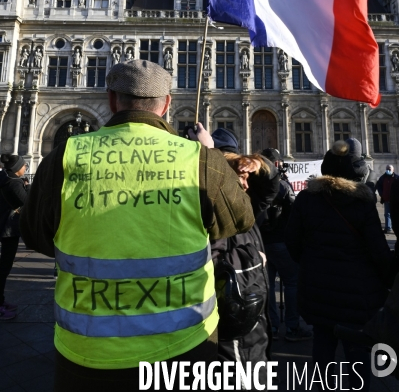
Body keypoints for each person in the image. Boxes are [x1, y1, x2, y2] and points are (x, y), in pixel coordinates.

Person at [20, 59, 255, 392]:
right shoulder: (199, 159)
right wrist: (210, 155)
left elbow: (34, 235)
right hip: (184, 346)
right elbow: (239, 220)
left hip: (87, 352)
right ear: (167, 104)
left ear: (111, 100)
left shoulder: (64, 156)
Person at [285, 139, 392, 391]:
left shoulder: (306, 198)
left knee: (322, 348)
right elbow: (378, 250)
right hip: (357, 293)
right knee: (357, 353)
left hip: (317, 288)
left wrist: (310, 263)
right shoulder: (363, 203)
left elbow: (292, 241)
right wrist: (386, 281)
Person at [210, 128, 276, 388]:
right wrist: (254, 259)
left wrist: (258, 162)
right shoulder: (211, 209)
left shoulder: (246, 205)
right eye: (241, 177)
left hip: (255, 332)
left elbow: (270, 186)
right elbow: (217, 265)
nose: (247, 184)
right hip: (233, 334)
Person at [256, 148, 312, 342]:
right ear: (277, 164)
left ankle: (270, 327)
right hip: (282, 241)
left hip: (262, 243)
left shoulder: (254, 185)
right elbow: (295, 215)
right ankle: (292, 327)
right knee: (291, 282)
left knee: (268, 286)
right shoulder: (283, 187)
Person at [0, 154, 28, 320]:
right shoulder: (14, 182)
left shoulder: (3, 178)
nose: (25, 168)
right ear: (18, 168)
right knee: (4, 268)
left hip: (2, 224)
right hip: (8, 229)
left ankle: (1, 301)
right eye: (24, 165)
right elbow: (27, 202)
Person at [377, 164, 399, 233]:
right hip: (386, 198)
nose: (388, 170)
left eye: (389, 169)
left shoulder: (396, 178)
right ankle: (388, 227)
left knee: (395, 213)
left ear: (393, 170)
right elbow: (379, 186)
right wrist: (382, 194)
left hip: (395, 199)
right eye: (387, 169)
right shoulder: (383, 178)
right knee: (387, 214)